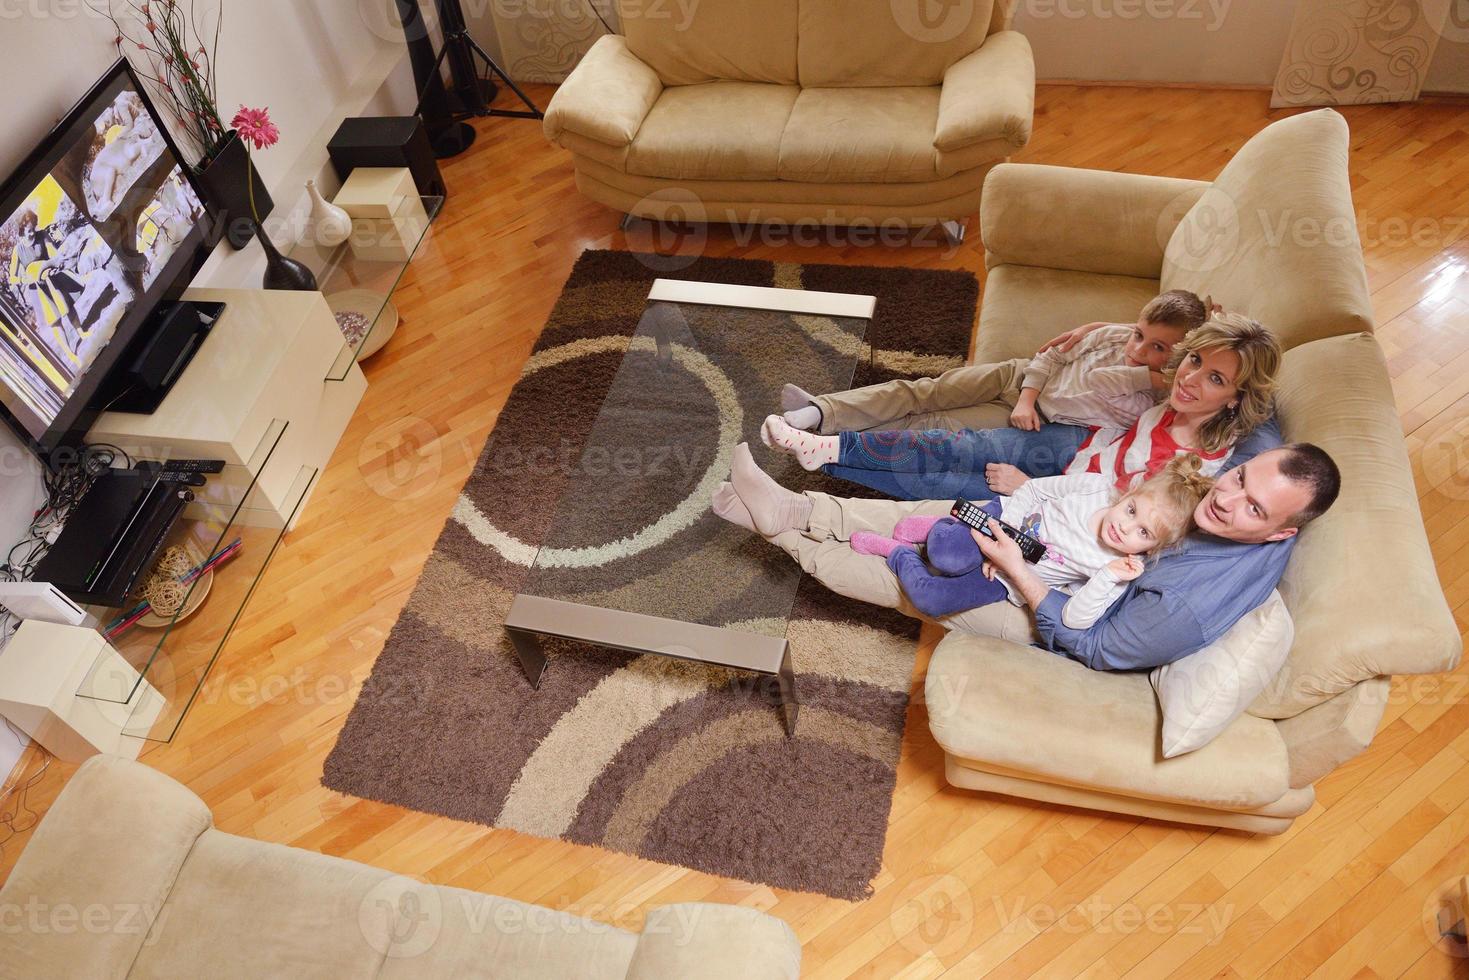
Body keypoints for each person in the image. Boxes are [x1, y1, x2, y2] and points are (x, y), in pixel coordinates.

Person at [710, 438, 1342, 671]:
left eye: (1255, 510)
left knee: (907, 580)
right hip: (1038, 550)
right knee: (941, 516)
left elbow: (1090, 645)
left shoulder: (1185, 605)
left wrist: (1016, 569)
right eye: (1239, 479)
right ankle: (796, 509)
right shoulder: (1240, 475)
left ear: (1278, 534)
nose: (1230, 501)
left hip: (1053, 622)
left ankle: (783, 532)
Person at [764, 312, 1281, 499]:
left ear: (1237, 396)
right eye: (1192, 362)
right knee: (955, 443)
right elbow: (1158, 337)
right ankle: (825, 435)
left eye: (1214, 378)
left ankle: (826, 456)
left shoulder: (1200, 462)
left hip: (1062, 484)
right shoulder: (1175, 385)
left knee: (940, 481)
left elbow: (1127, 505)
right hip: (1073, 443)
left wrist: (1034, 489)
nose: (1189, 380)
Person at [780, 289, 1212, 436]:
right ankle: (822, 409)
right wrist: (1027, 396)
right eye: (1139, 334)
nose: (1137, 349)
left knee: (934, 426)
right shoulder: (1114, 334)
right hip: (1019, 379)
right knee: (923, 391)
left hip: (1030, 417)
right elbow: (1051, 355)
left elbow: (1103, 382)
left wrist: (1154, 374)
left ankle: (830, 430)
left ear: (1180, 357)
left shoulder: (1157, 399)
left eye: (1158, 348)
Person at [853, 455, 1212, 623]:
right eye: (1132, 510)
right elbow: (1034, 490)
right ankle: (936, 528)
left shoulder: (1114, 568)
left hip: (1007, 581)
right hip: (1003, 522)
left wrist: (1108, 576)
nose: (1125, 527)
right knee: (947, 555)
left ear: (1151, 549)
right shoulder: (1095, 487)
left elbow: (1075, 619)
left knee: (932, 600)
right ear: (1129, 494)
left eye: (1143, 533)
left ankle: (898, 553)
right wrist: (1005, 535)